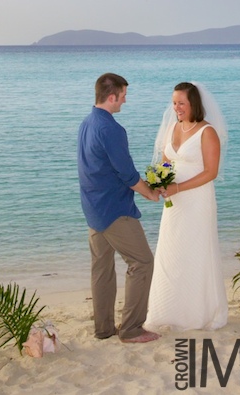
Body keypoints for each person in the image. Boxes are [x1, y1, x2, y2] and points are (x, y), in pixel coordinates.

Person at [77, 73, 161, 344]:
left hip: (93, 207)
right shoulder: (111, 129)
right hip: (114, 211)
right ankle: (131, 329)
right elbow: (126, 173)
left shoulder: (87, 123)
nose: (126, 99)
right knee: (142, 262)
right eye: (123, 95)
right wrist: (149, 192)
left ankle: (103, 329)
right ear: (111, 97)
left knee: (101, 268)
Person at [145, 81, 228, 331]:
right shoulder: (172, 127)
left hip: (197, 201)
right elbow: (166, 163)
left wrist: (179, 188)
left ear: (194, 104)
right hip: (174, 201)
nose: (176, 108)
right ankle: (167, 310)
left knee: (196, 252)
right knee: (171, 252)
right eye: (174, 103)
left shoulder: (207, 132)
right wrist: (157, 182)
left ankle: (197, 314)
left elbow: (211, 172)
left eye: (181, 103)